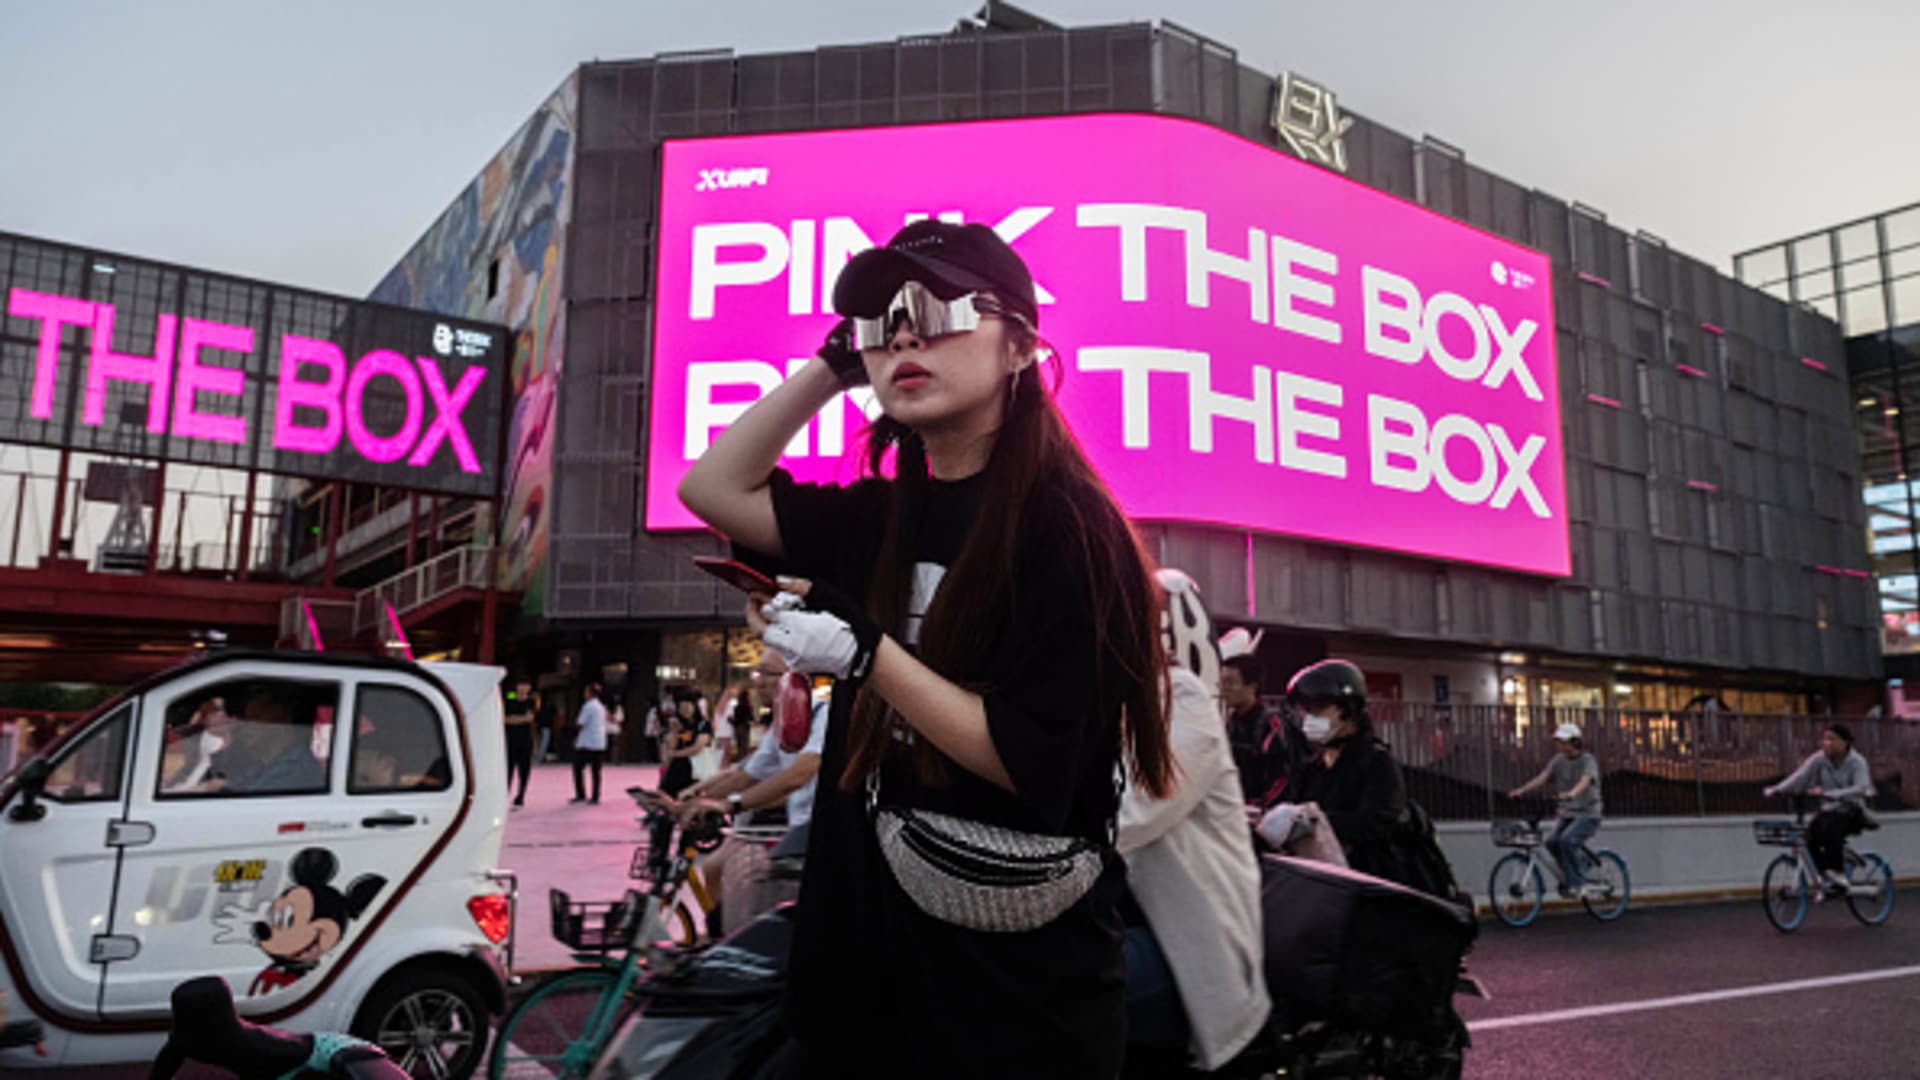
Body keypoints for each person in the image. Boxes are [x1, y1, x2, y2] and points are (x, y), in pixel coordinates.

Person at [679, 220, 1172, 1078]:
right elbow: (712, 487)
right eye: (880, 320)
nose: (904, 336)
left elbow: (1025, 756)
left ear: (1020, 345)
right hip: (854, 983)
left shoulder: (1073, 532)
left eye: (938, 309)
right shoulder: (875, 516)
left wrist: (865, 655)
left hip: (1010, 1004)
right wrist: (833, 366)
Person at [1117, 569, 1268, 1074]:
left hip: (1187, 940)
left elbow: (1130, 815)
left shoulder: (1181, 700)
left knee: (1054, 981)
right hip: (1133, 919)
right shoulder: (1121, 707)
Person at [1282, 659, 1409, 882]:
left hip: (1370, 882)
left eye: (1319, 708)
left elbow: (1374, 825)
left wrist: (1315, 821)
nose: (1308, 718)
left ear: (1349, 711)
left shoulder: (1377, 762)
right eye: (1306, 710)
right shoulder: (1313, 767)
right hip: (1322, 882)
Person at [1765, 723, 1875, 894]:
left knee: (1832, 829)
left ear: (1845, 742)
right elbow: (1800, 776)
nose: (1826, 743)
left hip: (1852, 811)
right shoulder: (1819, 759)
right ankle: (1825, 876)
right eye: (1824, 739)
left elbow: (1862, 787)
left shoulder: (1857, 762)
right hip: (1829, 810)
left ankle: (1838, 873)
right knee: (1808, 837)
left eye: (1832, 739)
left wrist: (1835, 794)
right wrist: (1777, 789)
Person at [1508, 723, 1605, 898]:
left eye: (1564, 741)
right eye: (1559, 741)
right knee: (1552, 842)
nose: (1560, 745)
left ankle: (1577, 883)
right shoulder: (1558, 761)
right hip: (1567, 813)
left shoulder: (1588, 760)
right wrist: (1522, 790)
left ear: (1575, 742)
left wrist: (1572, 794)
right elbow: (1543, 778)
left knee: (1567, 841)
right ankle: (1575, 869)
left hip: (1588, 814)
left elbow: (1585, 780)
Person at [1221, 653, 1310, 810]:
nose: (1223, 689)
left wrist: (1260, 807)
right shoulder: (1229, 723)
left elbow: (1283, 777)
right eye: (1221, 683)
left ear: (1252, 687)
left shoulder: (1271, 724)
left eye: (1230, 683)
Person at [658, 688, 713, 797]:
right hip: (678, 767)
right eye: (681, 708)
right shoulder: (680, 724)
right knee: (667, 793)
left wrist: (675, 754)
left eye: (687, 707)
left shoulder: (703, 724)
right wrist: (674, 731)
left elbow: (697, 748)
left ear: (695, 706)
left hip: (696, 768)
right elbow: (672, 746)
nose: (685, 711)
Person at [570, 683, 608, 805]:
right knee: (596, 771)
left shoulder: (588, 706)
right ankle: (595, 796)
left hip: (587, 743)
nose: (584, 694)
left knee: (577, 768)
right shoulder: (601, 707)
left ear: (590, 693)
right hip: (599, 742)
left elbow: (580, 723)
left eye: (586, 691)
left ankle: (581, 793)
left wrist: (575, 735)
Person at [503, 678, 536, 809]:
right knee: (508, 769)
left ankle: (520, 796)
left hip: (525, 739)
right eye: (520, 685)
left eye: (525, 685)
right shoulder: (509, 698)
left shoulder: (531, 701)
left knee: (524, 769)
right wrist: (522, 718)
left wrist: (514, 719)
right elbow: (504, 719)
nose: (522, 688)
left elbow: (530, 718)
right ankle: (504, 795)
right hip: (510, 739)